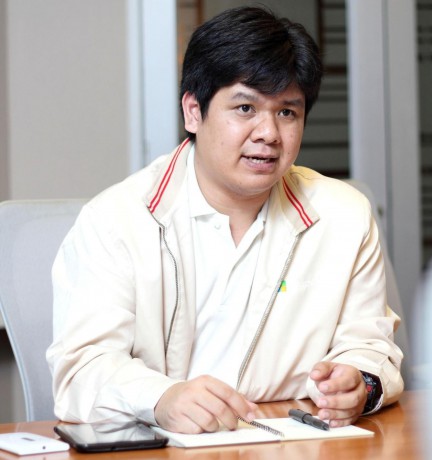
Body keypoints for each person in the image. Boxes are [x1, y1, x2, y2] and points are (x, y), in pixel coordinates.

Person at [46, 6, 404, 434]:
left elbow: (370, 345)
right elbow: (81, 369)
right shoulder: (116, 220)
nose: (269, 133)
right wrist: (161, 398)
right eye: (245, 108)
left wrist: (360, 383)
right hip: (163, 445)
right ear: (193, 112)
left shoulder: (343, 216)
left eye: (287, 113)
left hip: (291, 442)